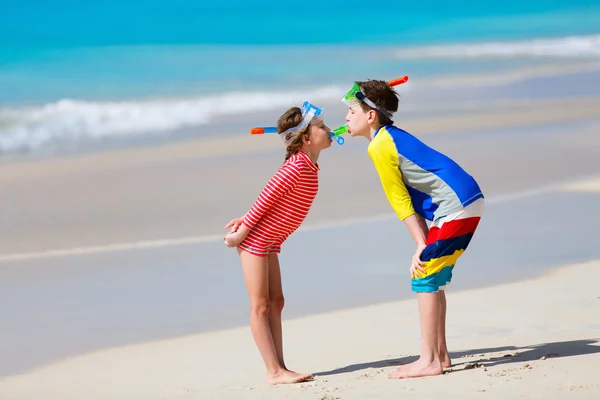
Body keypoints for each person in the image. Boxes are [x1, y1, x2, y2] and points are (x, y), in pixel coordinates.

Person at [342, 79, 484, 379]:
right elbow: (411, 199)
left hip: (456, 206)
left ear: (371, 116)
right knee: (434, 275)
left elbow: (400, 202)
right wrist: (422, 240)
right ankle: (441, 355)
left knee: (424, 274)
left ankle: (429, 359)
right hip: (464, 202)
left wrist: (420, 244)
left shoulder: (380, 145)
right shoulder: (389, 137)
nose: (346, 117)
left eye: (352, 110)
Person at [223, 102, 332, 385]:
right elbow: (265, 199)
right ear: (306, 138)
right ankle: (273, 372)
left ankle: (281, 366)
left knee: (277, 302)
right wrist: (242, 231)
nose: (329, 129)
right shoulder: (295, 167)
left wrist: (246, 220)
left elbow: (273, 204)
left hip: (270, 241)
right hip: (254, 241)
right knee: (260, 305)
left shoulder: (310, 166)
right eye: (322, 126)